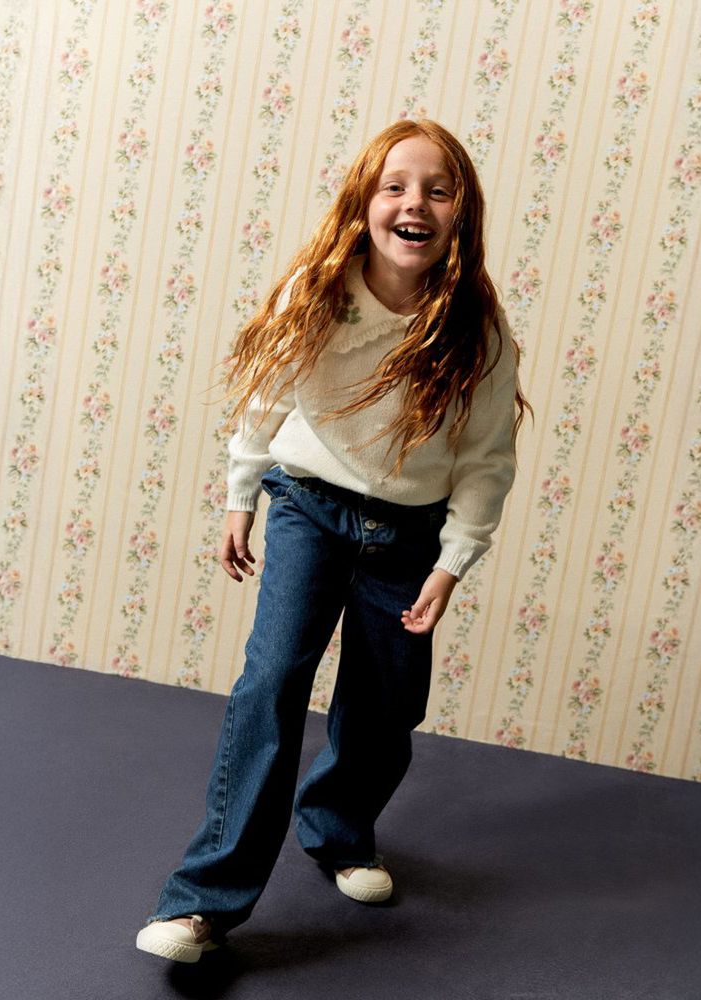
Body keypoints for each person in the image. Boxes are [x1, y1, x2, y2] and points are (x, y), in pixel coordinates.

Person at [136, 119, 528, 963]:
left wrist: (452, 564)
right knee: (273, 679)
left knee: (387, 702)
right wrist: (241, 497)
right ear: (363, 202)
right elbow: (265, 398)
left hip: (411, 532)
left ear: (461, 214)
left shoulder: (479, 331)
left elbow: (487, 459)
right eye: (395, 186)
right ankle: (203, 900)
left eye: (438, 190)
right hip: (309, 506)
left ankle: (340, 830)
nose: (415, 203)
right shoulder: (315, 295)